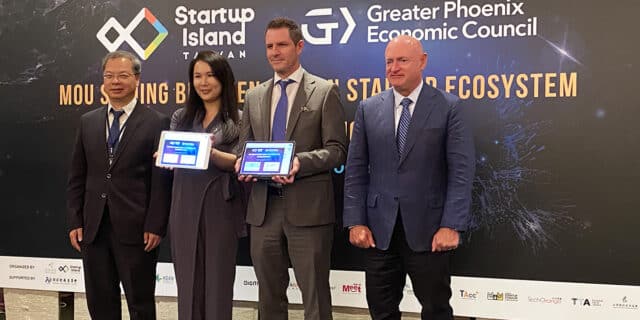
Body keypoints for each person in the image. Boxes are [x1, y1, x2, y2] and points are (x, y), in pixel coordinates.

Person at [343, 35, 475, 320]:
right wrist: (355, 221)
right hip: (378, 233)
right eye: (389, 61)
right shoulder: (368, 108)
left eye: (402, 60)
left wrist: (452, 225)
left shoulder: (449, 107)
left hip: (429, 232)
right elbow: (355, 169)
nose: (394, 67)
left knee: (436, 310)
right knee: (381, 311)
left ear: (422, 62)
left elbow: (461, 173)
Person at [236, 17, 347, 320]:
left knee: (315, 299)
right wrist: (241, 164)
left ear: (299, 46)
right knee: (269, 298)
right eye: (269, 46)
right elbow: (245, 149)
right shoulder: (254, 96)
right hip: (264, 208)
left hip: (308, 210)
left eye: (282, 44)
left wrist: (300, 162)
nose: (274, 51)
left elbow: (337, 150)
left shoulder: (324, 91)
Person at [67, 50, 172, 320]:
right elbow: (78, 176)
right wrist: (76, 220)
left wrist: (155, 225)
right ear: (102, 80)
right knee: (100, 303)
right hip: (94, 228)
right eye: (109, 76)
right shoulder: (88, 121)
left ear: (137, 79)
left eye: (123, 75)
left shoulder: (157, 121)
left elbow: (161, 180)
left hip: (137, 230)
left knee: (141, 303)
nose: (116, 81)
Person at [168, 50, 245, 320]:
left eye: (210, 75)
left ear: (223, 79)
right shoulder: (181, 118)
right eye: (197, 76)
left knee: (218, 285)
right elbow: (173, 152)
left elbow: (240, 161)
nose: (203, 82)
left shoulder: (238, 119)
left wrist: (209, 153)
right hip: (183, 205)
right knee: (187, 285)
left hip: (221, 207)